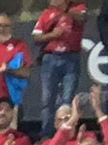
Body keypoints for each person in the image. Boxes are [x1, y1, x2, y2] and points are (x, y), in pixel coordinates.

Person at [33, 0, 88, 137]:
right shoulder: (47, 13)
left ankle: (67, 133)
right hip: (50, 58)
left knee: (67, 98)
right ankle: (47, 134)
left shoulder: (78, 7)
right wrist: (53, 35)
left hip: (71, 57)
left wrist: (66, 10)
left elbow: (83, 18)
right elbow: (36, 36)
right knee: (48, 98)